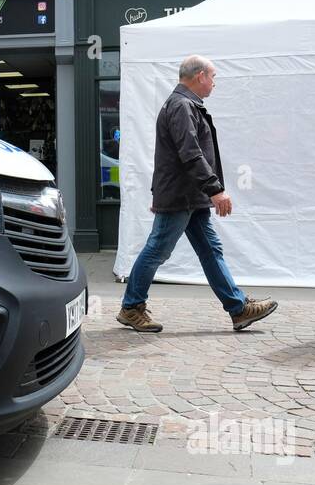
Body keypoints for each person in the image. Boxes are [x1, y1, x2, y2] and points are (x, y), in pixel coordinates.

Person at [117, 55, 278, 333]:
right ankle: (131, 307)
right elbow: (190, 153)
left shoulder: (185, 104)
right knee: (157, 249)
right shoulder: (181, 106)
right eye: (213, 77)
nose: (214, 83)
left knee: (210, 250)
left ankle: (238, 309)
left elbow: (172, 155)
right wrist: (215, 189)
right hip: (181, 197)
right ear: (200, 75)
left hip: (189, 197)